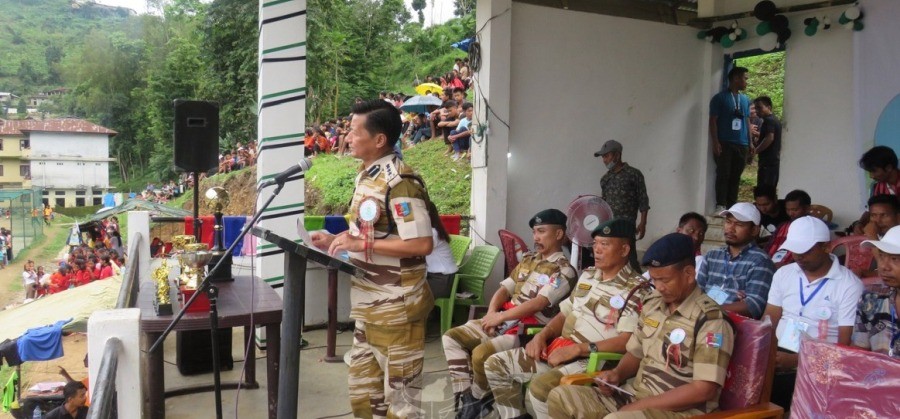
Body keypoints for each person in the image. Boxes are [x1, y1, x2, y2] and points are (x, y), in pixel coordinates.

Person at [309, 100, 438, 418]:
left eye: (354, 132)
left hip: (397, 308)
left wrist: (361, 241)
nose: (347, 138)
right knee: (365, 401)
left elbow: (421, 243)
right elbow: (369, 234)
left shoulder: (400, 182)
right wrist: (336, 240)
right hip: (368, 307)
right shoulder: (367, 175)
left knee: (401, 407)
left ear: (379, 139)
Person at [547, 233, 735, 418]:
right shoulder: (653, 303)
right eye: (654, 279)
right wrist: (617, 374)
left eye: (665, 280)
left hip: (679, 412)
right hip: (633, 397)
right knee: (560, 396)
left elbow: (703, 390)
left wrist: (639, 406)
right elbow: (635, 352)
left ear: (688, 274)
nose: (659, 287)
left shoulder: (711, 320)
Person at [482, 219, 649, 419]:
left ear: (624, 250)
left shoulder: (636, 289)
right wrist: (541, 336)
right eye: (595, 244)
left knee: (541, 389)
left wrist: (578, 349)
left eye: (604, 244)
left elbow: (628, 341)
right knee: (496, 364)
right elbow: (565, 313)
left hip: (593, 360)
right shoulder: (588, 276)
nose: (596, 250)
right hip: (560, 348)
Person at [443, 209, 576, 418]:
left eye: (541, 231)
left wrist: (501, 318)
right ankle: (467, 396)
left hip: (527, 330)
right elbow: (504, 289)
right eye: (534, 232)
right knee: (451, 338)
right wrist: (493, 312)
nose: (536, 238)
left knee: (480, 354)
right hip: (503, 320)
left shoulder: (564, 270)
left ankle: (476, 400)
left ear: (559, 234)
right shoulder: (528, 260)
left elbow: (539, 303)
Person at [762, 216, 863, 409]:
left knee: (780, 391)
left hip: (821, 362)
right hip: (778, 353)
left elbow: (844, 346)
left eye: (805, 251)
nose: (798, 257)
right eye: (794, 250)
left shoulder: (848, 284)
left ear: (826, 247)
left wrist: (797, 360)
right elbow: (769, 320)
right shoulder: (784, 273)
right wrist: (763, 351)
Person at [697, 203, 775, 319]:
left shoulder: (760, 261)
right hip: (703, 318)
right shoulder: (712, 256)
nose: (731, 228)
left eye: (739, 224)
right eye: (728, 222)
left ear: (754, 230)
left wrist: (712, 311)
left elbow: (754, 305)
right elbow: (698, 291)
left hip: (734, 326)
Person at [853, 225, 900, 358]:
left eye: (894, 259)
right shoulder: (871, 298)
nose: (884, 266)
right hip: (875, 377)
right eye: (881, 256)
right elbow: (859, 352)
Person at [709, 67, 751, 211]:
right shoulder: (719, 98)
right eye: (745, 78)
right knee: (723, 174)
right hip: (725, 143)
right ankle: (721, 205)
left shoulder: (745, 100)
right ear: (736, 78)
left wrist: (750, 143)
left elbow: (747, 121)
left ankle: (732, 206)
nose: (747, 81)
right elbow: (713, 120)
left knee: (736, 176)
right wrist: (715, 142)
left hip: (742, 144)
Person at [595, 140, 650, 241]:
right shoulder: (605, 179)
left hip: (627, 226)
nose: (604, 160)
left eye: (607, 156)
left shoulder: (633, 174)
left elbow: (643, 200)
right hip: (609, 226)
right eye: (603, 157)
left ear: (617, 155)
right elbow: (604, 204)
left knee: (628, 252)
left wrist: (643, 223)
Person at [766, 189, 812, 268]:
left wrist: (788, 266)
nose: (791, 213)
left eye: (795, 210)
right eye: (788, 210)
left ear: (807, 208)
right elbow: (769, 246)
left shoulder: (812, 228)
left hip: (793, 269)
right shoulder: (783, 226)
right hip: (770, 266)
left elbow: (810, 257)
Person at [752, 96, 782, 188]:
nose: (757, 110)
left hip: (769, 162)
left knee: (765, 190)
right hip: (773, 161)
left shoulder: (769, 120)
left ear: (768, 107)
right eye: (756, 108)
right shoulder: (774, 120)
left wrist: (756, 151)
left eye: (759, 108)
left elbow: (770, 137)